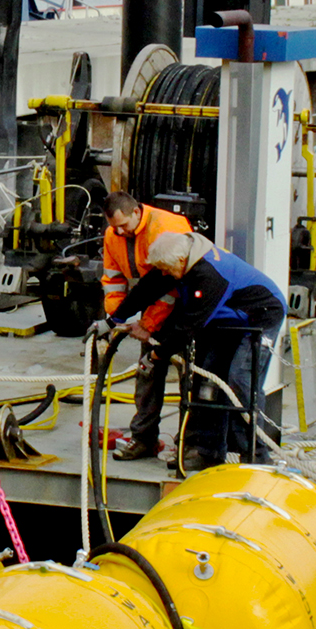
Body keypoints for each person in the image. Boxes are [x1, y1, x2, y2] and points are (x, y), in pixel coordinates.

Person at [110, 230, 288, 471]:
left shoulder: (209, 274)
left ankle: (256, 456)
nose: (164, 275)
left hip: (260, 316)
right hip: (225, 319)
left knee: (240, 381)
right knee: (206, 382)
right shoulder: (178, 260)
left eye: (165, 269)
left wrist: (157, 354)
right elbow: (147, 288)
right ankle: (208, 452)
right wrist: (113, 320)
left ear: (181, 262)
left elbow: (188, 326)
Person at [96, 190, 193, 462]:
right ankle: (144, 439)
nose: (120, 232)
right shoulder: (114, 234)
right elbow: (113, 280)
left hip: (182, 310)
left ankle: (188, 445)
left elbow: (167, 286)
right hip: (151, 310)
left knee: (189, 378)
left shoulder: (166, 228)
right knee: (147, 372)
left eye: (124, 225)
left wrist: (147, 325)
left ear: (137, 212)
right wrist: (117, 319)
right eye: (114, 226)